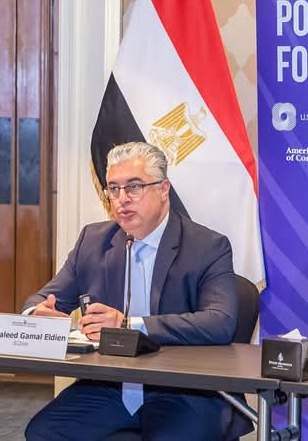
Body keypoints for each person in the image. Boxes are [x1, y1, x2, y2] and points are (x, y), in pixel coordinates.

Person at [22, 142, 251, 441]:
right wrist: (38, 314)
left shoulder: (207, 246)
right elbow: (45, 299)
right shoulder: (93, 240)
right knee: (44, 432)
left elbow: (219, 322)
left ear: (163, 189)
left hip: (184, 390)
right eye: (113, 189)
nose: (121, 199)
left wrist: (129, 325)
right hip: (112, 386)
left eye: (134, 187)